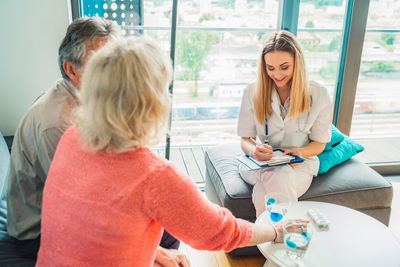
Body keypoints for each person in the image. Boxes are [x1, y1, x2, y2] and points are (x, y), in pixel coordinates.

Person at [35, 37, 308, 266]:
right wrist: (275, 231)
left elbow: (95, 222)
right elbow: (220, 232)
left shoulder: (72, 137)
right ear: (151, 104)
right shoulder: (153, 176)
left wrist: (152, 251)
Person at [238, 31, 333, 217]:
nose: (277, 75)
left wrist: (300, 152)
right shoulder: (252, 91)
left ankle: (269, 240)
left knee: (263, 191)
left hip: (299, 165)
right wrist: (253, 150)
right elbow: (245, 139)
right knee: (279, 174)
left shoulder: (318, 94)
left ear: (297, 64)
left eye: (284, 67)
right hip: (258, 165)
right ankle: (288, 233)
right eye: (270, 68)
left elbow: (319, 143)